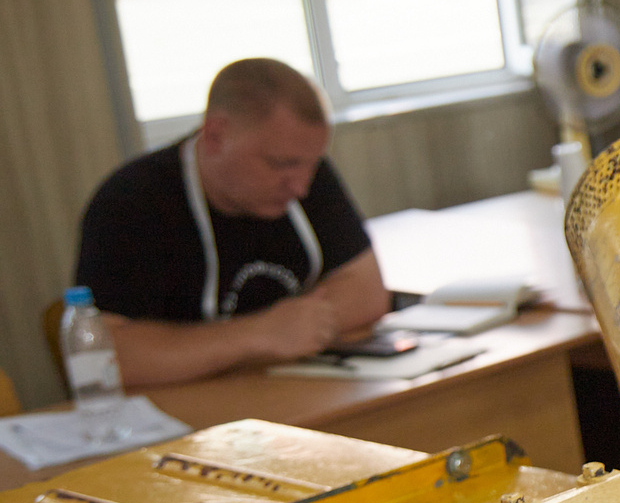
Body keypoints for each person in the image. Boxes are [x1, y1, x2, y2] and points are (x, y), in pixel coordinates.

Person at [72, 58, 390, 388]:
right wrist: (258, 334)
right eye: (280, 164)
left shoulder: (304, 171)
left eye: (311, 165)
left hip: (285, 390)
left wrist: (280, 333)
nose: (301, 187)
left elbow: (367, 292)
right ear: (216, 135)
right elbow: (106, 358)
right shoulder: (132, 201)